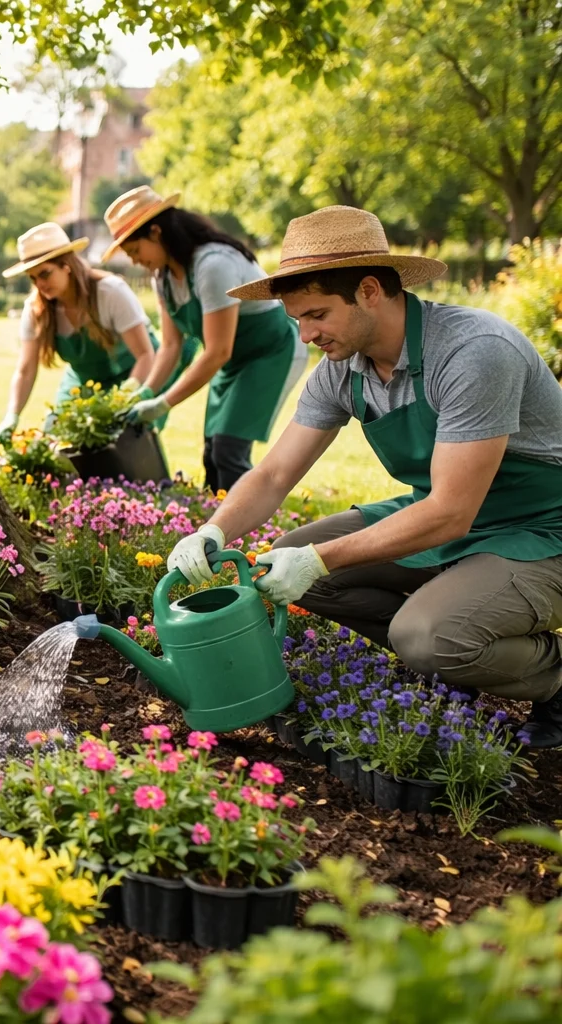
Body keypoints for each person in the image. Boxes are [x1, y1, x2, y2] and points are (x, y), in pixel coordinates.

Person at [165, 205, 562, 747]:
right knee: (294, 559)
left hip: (542, 530)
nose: (305, 335)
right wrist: (212, 531)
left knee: (422, 635)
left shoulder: (474, 353)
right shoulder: (342, 369)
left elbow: (451, 509)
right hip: (453, 518)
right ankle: (455, 643)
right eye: (296, 318)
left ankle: (536, 673)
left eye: (318, 315)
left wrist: (320, 559)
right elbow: (276, 472)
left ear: (370, 291)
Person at [103, 186, 307, 491]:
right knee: (213, 451)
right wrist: (145, 393)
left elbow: (217, 351)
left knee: (229, 449)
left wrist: (162, 404)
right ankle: (214, 525)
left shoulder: (213, 265)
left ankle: (247, 529)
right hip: (231, 359)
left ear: (156, 233)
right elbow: (171, 346)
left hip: (269, 353)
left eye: (135, 251)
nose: (134, 261)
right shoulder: (164, 278)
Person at [0, 222, 197, 440]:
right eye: (33, 278)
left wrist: (126, 396)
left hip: (136, 374)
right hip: (84, 383)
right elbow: (26, 369)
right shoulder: (36, 309)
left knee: (128, 441)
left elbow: (145, 355)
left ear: (67, 266)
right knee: (59, 439)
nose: (39, 285)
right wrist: (12, 414)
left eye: (45, 274)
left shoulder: (109, 292)